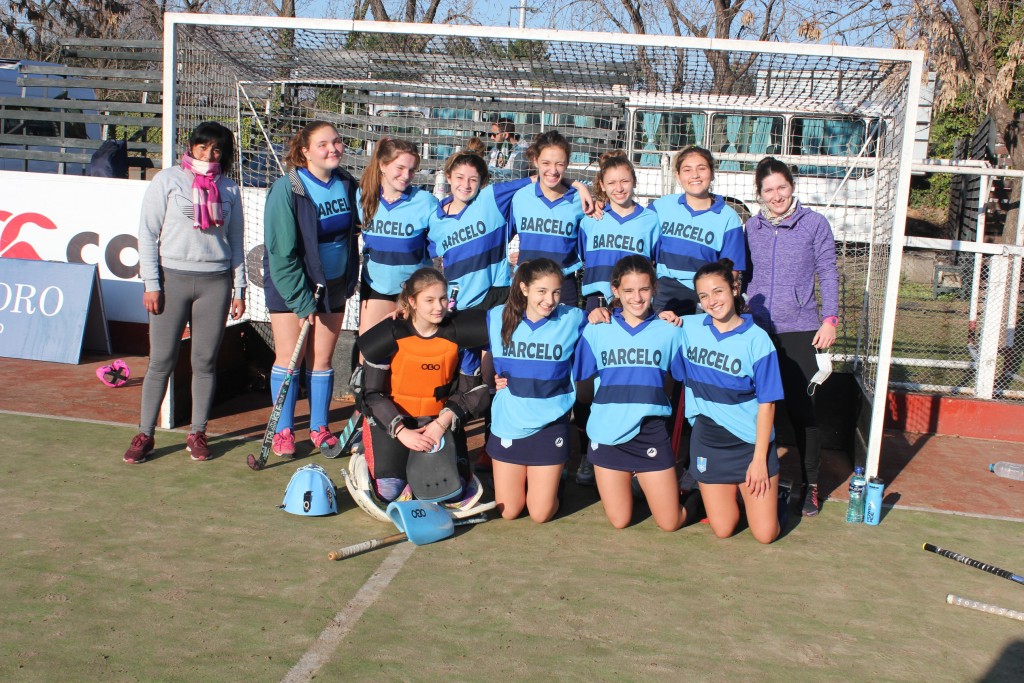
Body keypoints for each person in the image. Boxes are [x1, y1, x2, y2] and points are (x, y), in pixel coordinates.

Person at [123, 122, 246, 464]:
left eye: (216, 149)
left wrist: (239, 289)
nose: (209, 154)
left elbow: (236, 242)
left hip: (216, 283)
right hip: (171, 281)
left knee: (204, 362)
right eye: (203, 146)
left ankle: (197, 433)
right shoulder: (168, 180)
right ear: (191, 147)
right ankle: (145, 434)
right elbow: (147, 234)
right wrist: (152, 283)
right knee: (161, 360)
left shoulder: (229, 188)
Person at [573, 255, 702, 530]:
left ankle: (699, 496)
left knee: (670, 522)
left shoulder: (671, 331)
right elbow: (583, 393)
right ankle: (638, 485)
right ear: (615, 290)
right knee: (620, 521)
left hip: (650, 432)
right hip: (607, 433)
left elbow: (677, 381)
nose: (637, 297)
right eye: (628, 290)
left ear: (655, 288)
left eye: (644, 289)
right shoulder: (597, 330)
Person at [744, 157, 839, 517]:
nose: (776, 195)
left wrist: (829, 320)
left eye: (781, 187)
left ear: (792, 186)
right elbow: (743, 275)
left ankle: (811, 485)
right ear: (760, 193)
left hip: (801, 329)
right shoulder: (751, 228)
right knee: (754, 409)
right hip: (758, 330)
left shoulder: (814, 224)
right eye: (768, 189)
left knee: (803, 411)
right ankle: (749, 477)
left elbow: (828, 272)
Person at [261, 121, 360, 457]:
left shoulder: (346, 183)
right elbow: (281, 254)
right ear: (304, 151)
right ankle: (283, 431)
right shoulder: (288, 188)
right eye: (323, 144)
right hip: (293, 286)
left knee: (322, 359)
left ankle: (319, 428)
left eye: (337, 141)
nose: (333, 149)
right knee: (289, 358)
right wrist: (302, 302)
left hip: (333, 286)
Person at [358, 268, 490, 503]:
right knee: (389, 492)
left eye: (443, 298)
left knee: (451, 492)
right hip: (393, 422)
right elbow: (372, 394)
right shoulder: (390, 333)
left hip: (438, 421)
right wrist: (402, 432)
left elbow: (469, 391)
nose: (438, 307)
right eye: (429, 300)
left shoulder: (460, 335)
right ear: (412, 301)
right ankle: (366, 458)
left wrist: (440, 424)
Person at [682, 259, 785, 543]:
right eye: (704, 295)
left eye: (718, 291)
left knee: (765, 535)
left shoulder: (758, 340)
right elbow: (643, 322)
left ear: (735, 289)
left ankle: (777, 498)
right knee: (723, 529)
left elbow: (768, 404)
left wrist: (759, 460)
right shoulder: (687, 327)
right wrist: (599, 312)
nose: (712, 301)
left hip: (750, 445)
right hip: (709, 442)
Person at [429, 143, 595, 312]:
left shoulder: (491, 197)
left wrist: (579, 186)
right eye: (459, 177)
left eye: (473, 179)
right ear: (448, 177)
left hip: (495, 294)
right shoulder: (435, 218)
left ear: (482, 181)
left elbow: (542, 179)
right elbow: (430, 260)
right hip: (456, 300)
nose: (466, 185)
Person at [484, 259, 586, 522]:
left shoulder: (574, 319)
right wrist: (404, 313)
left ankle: (553, 484)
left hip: (549, 423)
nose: (549, 300)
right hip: (509, 421)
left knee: (540, 514)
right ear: (524, 288)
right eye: (542, 291)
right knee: (509, 512)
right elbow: (446, 322)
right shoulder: (496, 316)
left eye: (556, 292)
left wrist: (601, 314)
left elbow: (613, 326)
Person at [356, 137, 438, 337]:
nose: (406, 175)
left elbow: (441, 244)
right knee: (370, 347)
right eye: (400, 168)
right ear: (383, 165)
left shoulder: (426, 202)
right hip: (376, 286)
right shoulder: (363, 197)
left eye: (412, 170)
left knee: (407, 348)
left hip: (413, 289)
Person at [651, 146, 746, 316]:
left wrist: (714, 299)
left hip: (705, 296)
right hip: (664, 294)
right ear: (678, 176)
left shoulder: (728, 218)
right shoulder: (661, 207)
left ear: (712, 173)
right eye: (687, 170)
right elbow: (634, 224)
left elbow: (731, 270)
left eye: (701, 168)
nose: (695, 175)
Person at [509, 130, 588, 307]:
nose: (553, 170)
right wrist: (517, 256)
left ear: (567, 163)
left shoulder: (580, 201)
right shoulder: (520, 197)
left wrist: (581, 187)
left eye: (559, 164)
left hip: (563, 286)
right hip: (526, 284)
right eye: (546, 163)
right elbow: (500, 235)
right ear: (535, 160)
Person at [579, 152, 660, 313]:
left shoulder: (651, 220)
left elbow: (657, 262)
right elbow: (579, 255)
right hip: (597, 301)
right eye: (612, 183)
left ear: (634, 181)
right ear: (602, 185)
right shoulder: (591, 219)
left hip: (636, 300)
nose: (619, 188)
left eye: (625, 181)